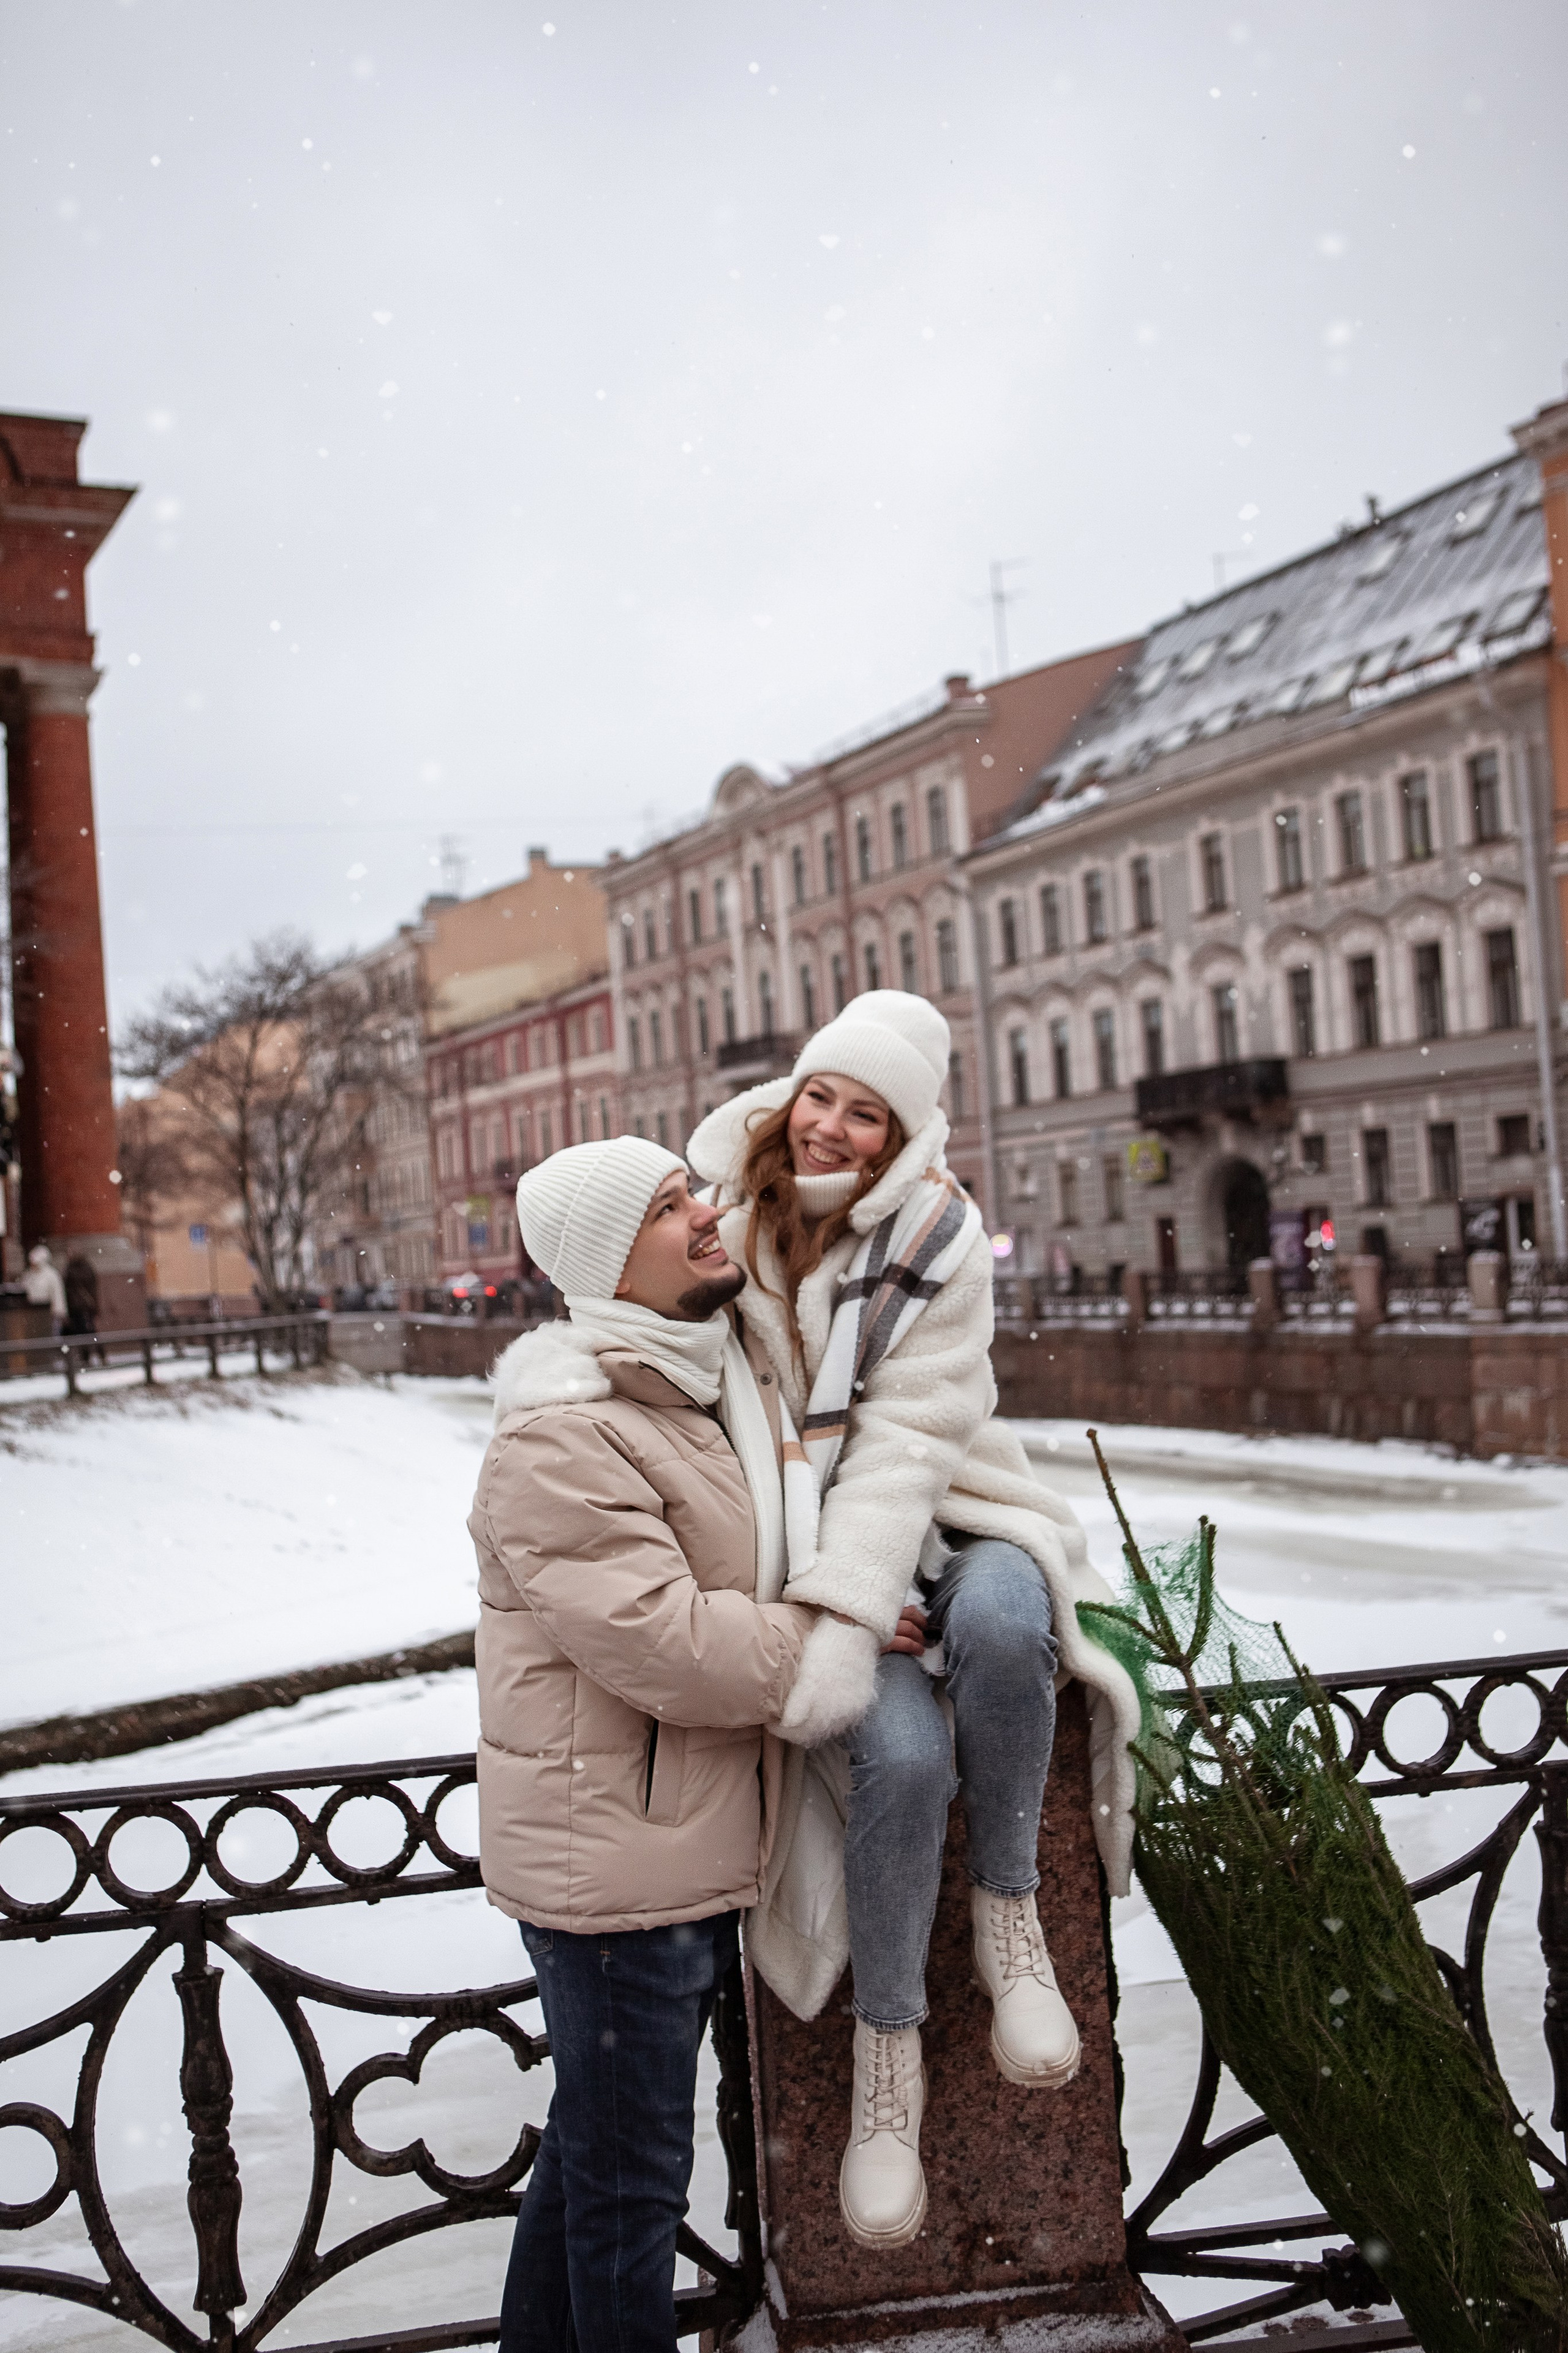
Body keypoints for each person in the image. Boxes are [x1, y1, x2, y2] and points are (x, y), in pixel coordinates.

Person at [685, 991, 1139, 2251]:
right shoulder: (721, 1228)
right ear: (793, 1098)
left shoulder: (939, 1234)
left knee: (1003, 1626)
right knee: (899, 1753)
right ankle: (889, 2063)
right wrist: (833, 1599)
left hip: (951, 1506)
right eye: (820, 1096)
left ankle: (1010, 1917)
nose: (831, 1126)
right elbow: (723, 1437)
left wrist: (871, 1586)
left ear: (901, 1137)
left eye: (866, 1113)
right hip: (807, 1549)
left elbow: (903, 1443)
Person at [470, 1135, 817, 2353]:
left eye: (693, 1189)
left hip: (663, 1844)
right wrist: (829, 1642)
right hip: (616, 1877)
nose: (707, 1214)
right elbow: (665, 1643)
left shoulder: (695, 1383)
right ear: (613, 1263)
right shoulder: (561, 1433)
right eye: (672, 1207)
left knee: (591, 2162)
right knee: (630, 2198)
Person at [23, 1242, 66, 1334]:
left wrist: (59, 1312)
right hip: (32, 1313)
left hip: (49, 1313)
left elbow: (57, 1295)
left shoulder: (52, 1275)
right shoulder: (29, 1275)